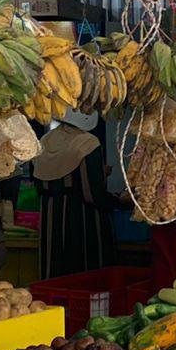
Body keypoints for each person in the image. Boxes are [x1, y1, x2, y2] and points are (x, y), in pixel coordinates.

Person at [34, 112, 117, 279]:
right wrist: (118, 200)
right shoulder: (88, 143)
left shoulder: (44, 141)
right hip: (82, 222)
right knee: (83, 275)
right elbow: (93, 195)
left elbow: (39, 182)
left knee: (54, 273)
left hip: (50, 221)